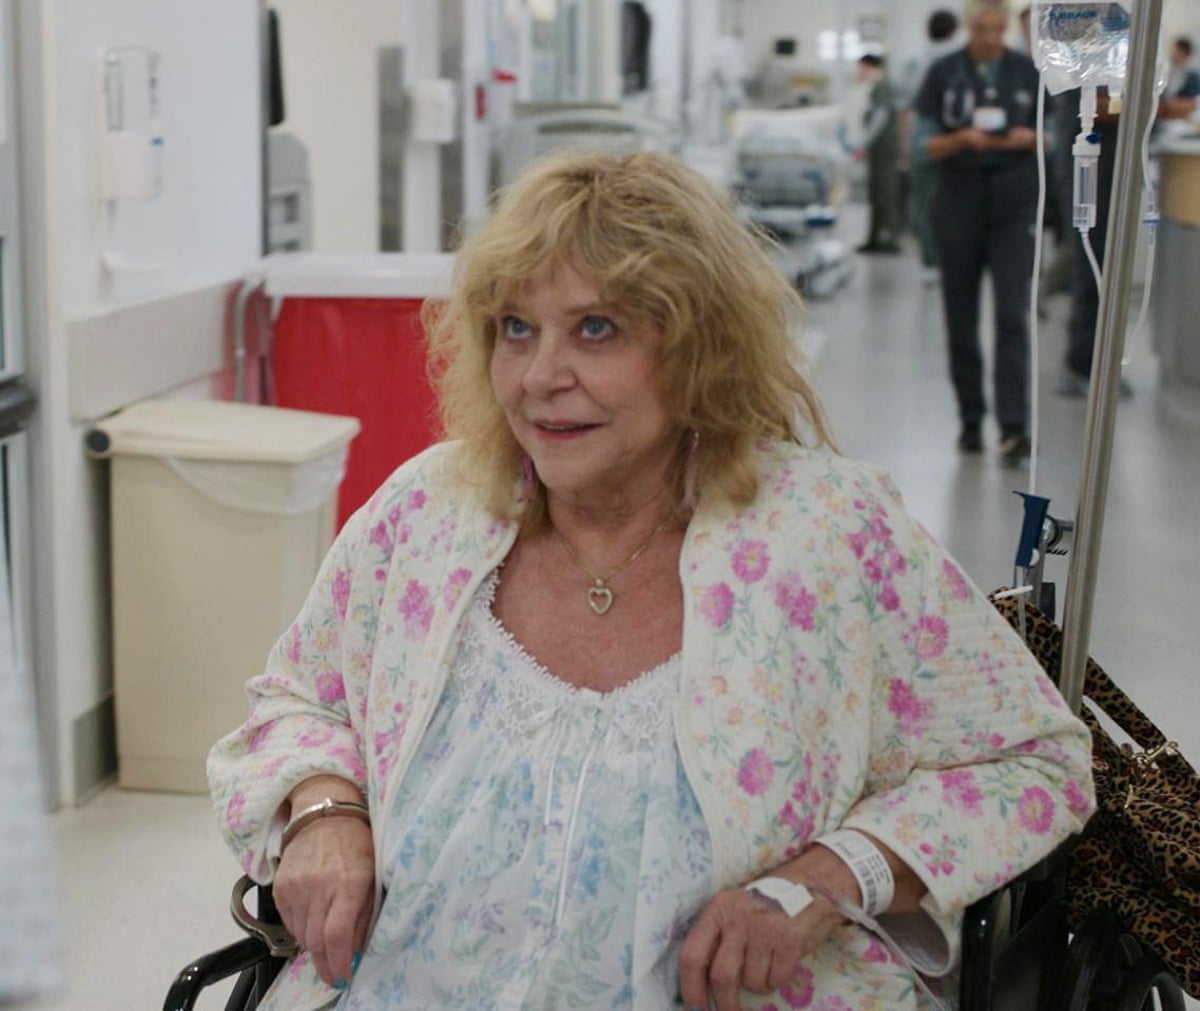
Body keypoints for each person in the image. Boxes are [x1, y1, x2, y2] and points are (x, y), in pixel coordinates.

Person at [208, 150, 1095, 1011]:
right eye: (517, 329)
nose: (541, 378)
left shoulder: (826, 533)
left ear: (696, 348)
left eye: (597, 329)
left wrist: (832, 874)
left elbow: (1033, 763)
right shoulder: (432, 512)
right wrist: (324, 811)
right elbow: (296, 697)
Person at [914, 0, 1041, 465]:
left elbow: (1054, 134)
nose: (990, 36)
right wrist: (962, 139)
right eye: (982, 29)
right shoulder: (943, 73)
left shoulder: (1027, 71)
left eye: (997, 28)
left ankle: (1014, 428)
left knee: (1012, 313)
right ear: (969, 28)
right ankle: (971, 420)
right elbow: (923, 144)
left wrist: (1031, 139)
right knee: (960, 318)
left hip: (1013, 201)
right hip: (959, 198)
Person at [901, 9, 962, 282]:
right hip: (958, 143)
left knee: (925, 205)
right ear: (954, 30)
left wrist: (906, 149)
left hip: (924, 142)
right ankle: (956, 260)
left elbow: (904, 109)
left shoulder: (916, 61)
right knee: (957, 203)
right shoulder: (961, 61)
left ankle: (930, 262)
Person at [854, 54, 902, 253]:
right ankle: (874, 238)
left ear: (870, 66)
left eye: (861, 68)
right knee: (876, 193)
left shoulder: (883, 87)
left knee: (884, 193)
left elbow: (880, 118)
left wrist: (863, 144)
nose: (859, 73)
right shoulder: (879, 87)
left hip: (884, 150)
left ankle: (887, 239)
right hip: (879, 150)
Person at [1162, 36, 1200, 120]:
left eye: (1177, 51)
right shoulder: (1166, 72)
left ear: (1185, 54)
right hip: (1163, 116)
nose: (1173, 54)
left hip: (1181, 119)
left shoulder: (1192, 77)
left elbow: (1191, 103)